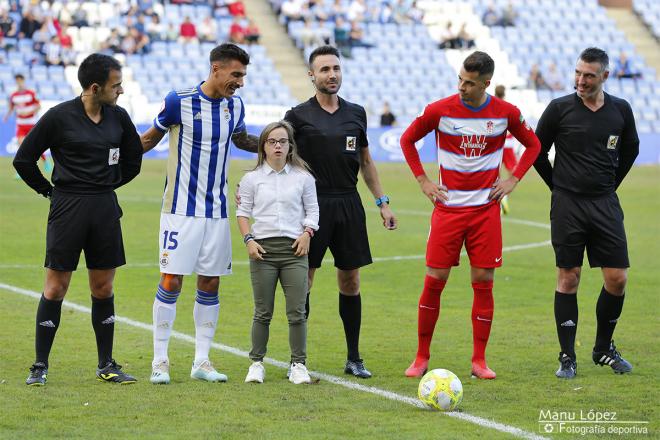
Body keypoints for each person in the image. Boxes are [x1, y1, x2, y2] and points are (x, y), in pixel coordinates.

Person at [399, 51, 541, 379]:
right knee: (435, 281)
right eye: (460, 80)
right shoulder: (439, 110)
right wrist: (423, 180)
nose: (462, 87)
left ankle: (479, 361)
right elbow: (407, 140)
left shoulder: (505, 113)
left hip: (485, 213)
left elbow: (533, 145)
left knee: (483, 282)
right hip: (447, 210)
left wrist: (512, 180)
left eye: (469, 83)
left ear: (486, 84)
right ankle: (421, 357)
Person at [13, 53, 143, 386]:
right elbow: (24, 159)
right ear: (95, 87)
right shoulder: (58, 117)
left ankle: (107, 365)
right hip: (67, 207)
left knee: (103, 287)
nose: (121, 91)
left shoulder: (119, 117)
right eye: (116, 86)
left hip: (104, 208)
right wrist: (50, 192)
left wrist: (108, 186)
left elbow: (132, 160)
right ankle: (40, 366)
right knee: (55, 287)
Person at [140, 43, 258, 385]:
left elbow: (240, 139)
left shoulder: (235, 105)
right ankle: (160, 360)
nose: (239, 82)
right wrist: (112, 159)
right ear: (216, 68)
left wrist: (274, 140)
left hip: (218, 211)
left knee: (210, 281)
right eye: (235, 74)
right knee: (171, 280)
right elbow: (149, 140)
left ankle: (201, 361)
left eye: (243, 76)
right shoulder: (179, 101)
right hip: (179, 210)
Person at [283, 45, 397, 378]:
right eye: (324, 70)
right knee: (303, 280)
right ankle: (298, 359)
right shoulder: (297, 116)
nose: (331, 74)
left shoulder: (356, 113)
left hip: (349, 203)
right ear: (311, 75)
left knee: (350, 280)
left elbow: (365, 162)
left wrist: (382, 202)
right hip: (311, 206)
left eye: (335, 68)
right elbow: (280, 157)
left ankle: (354, 357)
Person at [533, 47, 638, 379]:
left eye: (589, 75)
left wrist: (609, 184)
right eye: (578, 73)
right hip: (568, 204)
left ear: (604, 76)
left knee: (617, 278)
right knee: (569, 277)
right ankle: (567, 356)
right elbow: (537, 151)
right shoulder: (559, 108)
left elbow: (631, 149)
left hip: (605, 202)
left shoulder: (621, 110)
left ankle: (603, 348)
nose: (580, 80)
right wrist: (558, 187)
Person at [236, 121, 319, 385]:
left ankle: (298, 365)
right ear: (264, 146)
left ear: (290, 145)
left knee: (297, 312)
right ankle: (256, 363)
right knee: (263, 312)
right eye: (272, 142)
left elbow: (313, 210)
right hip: (263, 250)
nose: (278, 146)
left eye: (283, 141)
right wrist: (249, 240)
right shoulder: (252, 179)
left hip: (295, 250)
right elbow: (242, 212)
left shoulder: (303, 178)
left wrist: (307, 233)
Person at [4, 73, 52, 175]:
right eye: (17, 81)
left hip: (31, 123)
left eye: (20, 80)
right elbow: (11, 107)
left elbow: (38, 106)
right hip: (20, 124)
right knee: (21, 147)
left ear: (23, 81)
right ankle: (21, 170)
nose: (19, 82)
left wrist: (28, 112)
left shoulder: (31, 93)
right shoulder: (14, 95)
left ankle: (45, 161)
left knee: (36, 145)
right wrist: (7, 116)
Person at [494, 84, 518, 214]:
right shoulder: (508, 107)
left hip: (496, 144)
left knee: (495, 172)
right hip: (507, 143)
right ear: (504, 94)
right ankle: (505, 194)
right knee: (513, 171)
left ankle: (499, 195)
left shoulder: (491, 106)